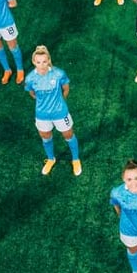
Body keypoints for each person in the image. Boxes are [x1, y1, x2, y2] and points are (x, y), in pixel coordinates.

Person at [25, 45, 82, 176]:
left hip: (60, 113)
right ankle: (51, 159)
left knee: (68, 135)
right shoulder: (30, 78)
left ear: (49, 60)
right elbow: (32, 93)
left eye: (44, 61)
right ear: (34, 62)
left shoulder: (58, 73)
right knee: (45, 136)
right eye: (38, 62)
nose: (41, 65)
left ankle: (75, 159)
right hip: (42, 115)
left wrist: (60, 102)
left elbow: (66, 88)